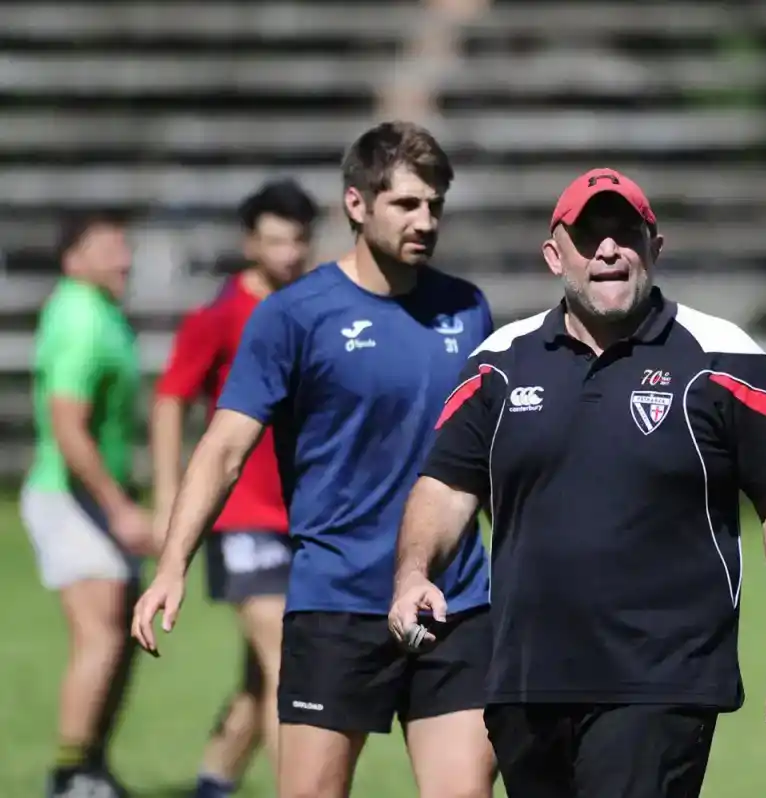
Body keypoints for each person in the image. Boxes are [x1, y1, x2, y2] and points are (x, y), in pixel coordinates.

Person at [390, 168, 766, 798]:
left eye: (625, 232)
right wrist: (412, 574)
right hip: (525, 683)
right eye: (588, 234)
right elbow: (445, 487)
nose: (608, 249)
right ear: (553, 255)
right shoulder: (498, 362)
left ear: (654, 246)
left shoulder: (723, 355)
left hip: (659, 682)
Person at [131, 121, 496, 798]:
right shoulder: (294, 316)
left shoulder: (468, 310)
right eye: (407, 204)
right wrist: (173, 564)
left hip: (457, 598)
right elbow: (224, 448)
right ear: (357, 204)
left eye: (435, 205)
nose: (426, 220)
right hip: (338, 599)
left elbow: (491, 452)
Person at [151, 179, 319, 798]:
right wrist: (170, 495)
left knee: (260, 676)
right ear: (251, 243)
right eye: (276, 240)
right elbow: (169, 400)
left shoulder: (314, 309)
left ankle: (213, 784)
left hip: (300, 515)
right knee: (287, 661)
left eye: (299, 240)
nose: (289, 254)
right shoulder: (220, 317)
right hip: (241, 515)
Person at [22, 210, 154, 798]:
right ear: (73, 257)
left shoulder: (104, 312)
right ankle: (70, 776)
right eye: (108, 247)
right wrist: (118, 507)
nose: (122, 258)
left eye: (124, 246)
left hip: (93, 499)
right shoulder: (78, 315)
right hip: (69, 498)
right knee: (98, 635)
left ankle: (92, 765)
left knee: (120, 632)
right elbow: (67, 427)